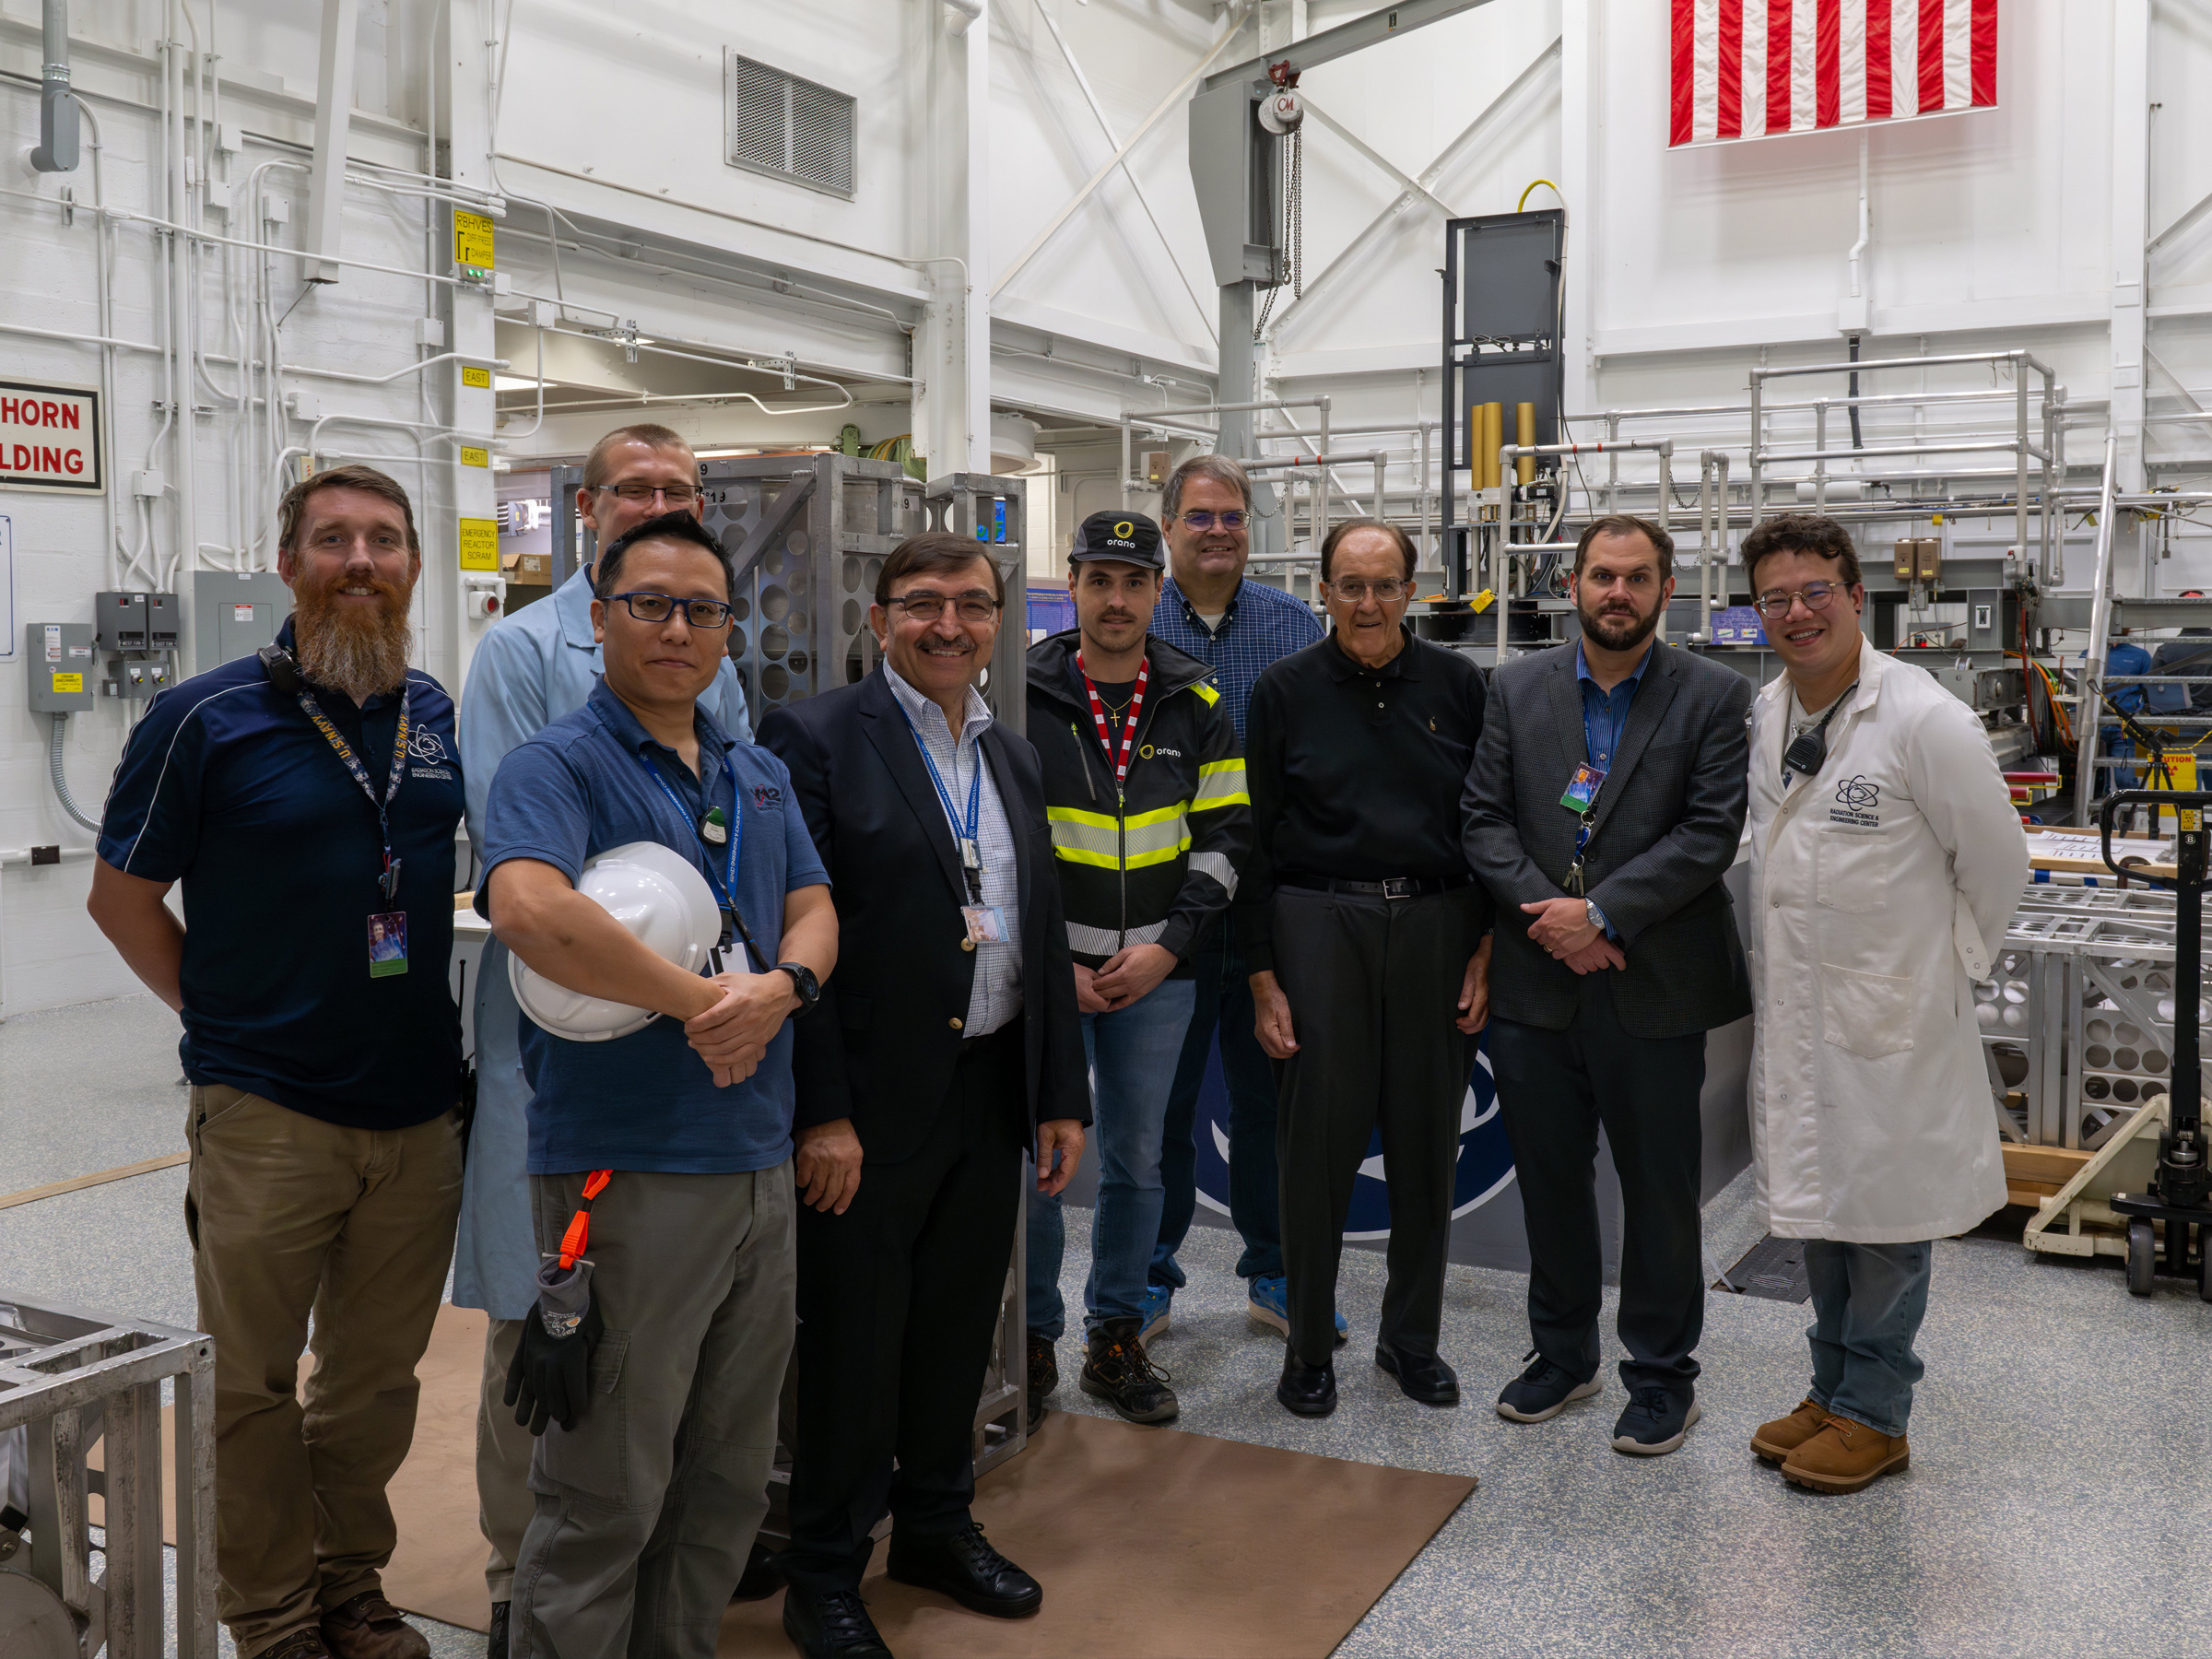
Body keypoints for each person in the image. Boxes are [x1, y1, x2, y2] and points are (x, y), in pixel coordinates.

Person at [88, 465, 465, 1659]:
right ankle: (270, 1615)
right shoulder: (202, 718)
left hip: (415, 1114)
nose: (361, 558)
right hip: (269, 1115)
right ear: (289, 564)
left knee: (374, 1381)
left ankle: (349, 1583)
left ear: (412, 565)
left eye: (385, 540)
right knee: (252, 1386)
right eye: (333, 538)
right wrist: (227, 1025)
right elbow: (120, 897)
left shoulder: (435, 713)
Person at [477, 510, 834, 1654]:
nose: (678, 630)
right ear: (599, 621)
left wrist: (780, 992)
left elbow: (817, 911)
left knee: (725, 1481)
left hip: (757, 1169)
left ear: (731, 631)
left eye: (703, 610)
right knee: (606, 1495)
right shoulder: (559, 765)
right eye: (650, 606)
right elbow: (529, 910)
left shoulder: (757, 770)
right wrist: (703, 1006)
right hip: (625, 1174)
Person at [759, 533, 1089, 1659]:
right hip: (869, 1101)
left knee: (959, 1326)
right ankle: (826, 1569)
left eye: (971, 606)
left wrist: (1058, 1092)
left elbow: (1035, 925)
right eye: (922, 606)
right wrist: (822, 1110)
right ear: (879, 617)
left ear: (998, 622)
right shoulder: (813, 738)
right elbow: (787, 935)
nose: (948, 626)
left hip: (991, 1080)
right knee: (857, 1340)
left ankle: (939, 1528)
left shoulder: (1012, 751)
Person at [454, 423, 754, 1654]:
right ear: (586, 510)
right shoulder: (521, 655)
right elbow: (535, 869)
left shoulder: (716, 658)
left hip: (692, 1042)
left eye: (677, 490)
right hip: (567, 1033)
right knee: (547, 1313)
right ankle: (516, 1576)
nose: (654, 503)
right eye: (633, 488)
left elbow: (735, 822)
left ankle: (641, 1583)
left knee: (664, 1332)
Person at [1738, 512, 2027, 1494]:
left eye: (1816, 590)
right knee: (1823, 1211)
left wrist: (1947, 971)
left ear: (1858, 596)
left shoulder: (1921, 716)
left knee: (1888, 1224)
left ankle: (1878, 1414)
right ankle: (1830, 1391)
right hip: (1806, 1012)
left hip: (1892, 1016)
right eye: (1776, 597)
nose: (1797, 612)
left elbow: (1998, 862)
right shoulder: (1769, 710)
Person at [1463, 513, 1752, 1458]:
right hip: (1537, 984)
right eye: (1600, 576)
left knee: (1660, 1192)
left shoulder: (1713, 695)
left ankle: (1663, 1375)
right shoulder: (1513, 688)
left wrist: (1604, 915)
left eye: (1636, 577)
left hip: (1655, 982)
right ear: (1573, 586)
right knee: (1550, 1180)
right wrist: (1554, 916)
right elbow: (1483, 820)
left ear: (1666, 590)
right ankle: (1564, 1354)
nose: (1616, 593)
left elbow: (1709, 833)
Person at [1241, 518, 1492, 1419]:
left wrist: (1484, 947)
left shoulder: (1462, 688)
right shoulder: (1282, 692)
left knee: (1428, 1148)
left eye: (1386, 585)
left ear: (1414, 593)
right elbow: (1254, 839)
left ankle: (1409, 1341)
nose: (1369, 603)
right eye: (1350, 585)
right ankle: (1309, 1348)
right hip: (1318, 921)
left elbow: (1488, 827)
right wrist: (1264, 976)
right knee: (1315, 1152)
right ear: (1324, 592)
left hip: (1436, 922)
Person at [1022, 509, 1250, 1426]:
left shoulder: (1197, 701)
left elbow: (1227, 839)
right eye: (1098, 580)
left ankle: (1114, 1336)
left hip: (1160, 973)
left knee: (1139, 1162)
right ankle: (1029, 1339)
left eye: (1133, 582)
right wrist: (1048, 964)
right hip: (1049, 972)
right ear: (1072, 584)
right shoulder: (1020, 692)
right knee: (1035, 1160)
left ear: (1159, 592)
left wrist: (1168, 948)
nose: (1116, 601)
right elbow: (1000, 844)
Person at [1143, 453, 1332, 1349]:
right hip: (1163, 916)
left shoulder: (1293, 626)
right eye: (1201, 516)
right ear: (1170, 524)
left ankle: (1278, 1272)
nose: (1217, 531)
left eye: (1232, 517)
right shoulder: (1135, 623)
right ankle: (1147, 1278)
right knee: (1161, 1109)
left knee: (1271, 1108)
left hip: (1268, 917)